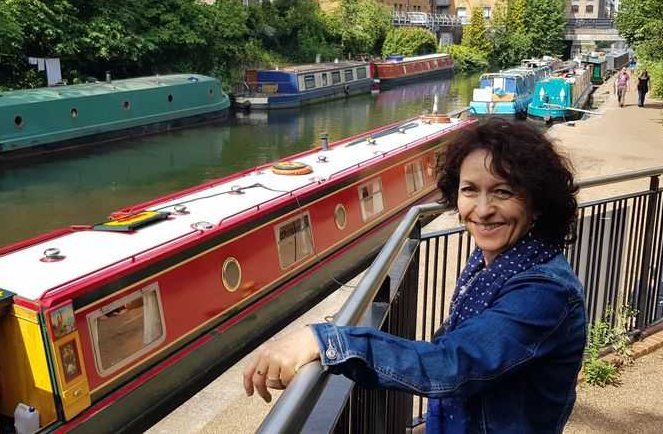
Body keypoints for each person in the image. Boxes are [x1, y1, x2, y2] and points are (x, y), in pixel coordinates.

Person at [243, 120, 588, 433]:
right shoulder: (495, 261)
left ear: (537, 203)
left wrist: (325, 341)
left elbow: (454, 364)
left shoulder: (544, 292)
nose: (483, 210)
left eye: (503, 192)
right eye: (470, 190)